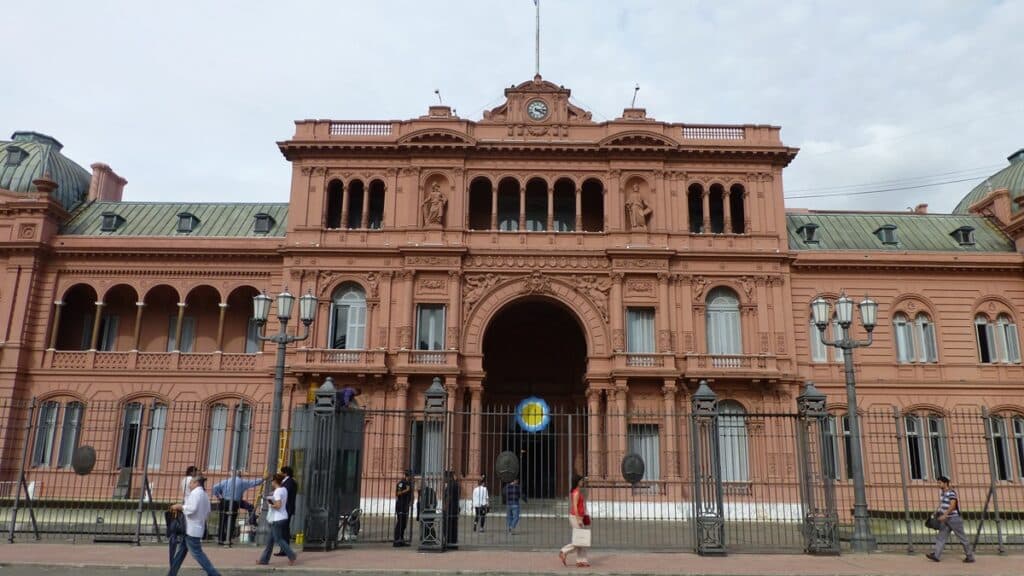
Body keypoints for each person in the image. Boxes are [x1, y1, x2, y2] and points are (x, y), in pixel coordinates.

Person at [167, 475, 221, 576]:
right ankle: (171, 574)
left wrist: (180, 507)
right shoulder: (204, 494)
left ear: (196, 483)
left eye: (191, 482)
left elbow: (192, 509)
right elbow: (208, 510)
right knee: (180, 553)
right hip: (196, 527)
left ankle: (214, 574)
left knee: (198, 554)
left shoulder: (195, 493)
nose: (189, 484)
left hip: (191, 529)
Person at [926, 475, 974, 563]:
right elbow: (942, 504)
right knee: (941, 537)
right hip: (945, 520)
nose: (938, 484)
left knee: (962, 538)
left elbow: (953, 505)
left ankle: (970, 556)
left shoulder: (951, 493)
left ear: (945, 483)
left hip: (954, 519)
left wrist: (945, 515)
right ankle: (936, 555)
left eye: (940, 483)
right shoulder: (943, 493)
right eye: (938, 483)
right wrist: (936, 512)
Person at [210, 475, 264, 544]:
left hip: (224, 502)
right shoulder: (241, 482)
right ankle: (228, 539)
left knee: (222, 521)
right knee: (232, 521)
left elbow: (215, 487)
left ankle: (221, 539)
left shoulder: (225, 481)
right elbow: (253, 482)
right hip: (235, 503)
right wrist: (263, 479)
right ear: (240, 476)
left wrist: (219, 496)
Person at [258, 474, 297, 566]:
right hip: (283, 516)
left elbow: (278, 506)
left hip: (277, 518)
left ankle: (292, 555)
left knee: (278, 539)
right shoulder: (284, 490)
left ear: (275, 481)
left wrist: (270, 504)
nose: (271, 482)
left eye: (272, 480)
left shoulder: (277, 492)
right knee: (270, 541)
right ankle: (264, 560)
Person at [559, 475, 590, 568]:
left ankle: (581, 560)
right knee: (579, 540)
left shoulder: (578, 491)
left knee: (582, 540)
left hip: (580, 517)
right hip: (576, 517)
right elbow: (575, 508)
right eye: (581, 481)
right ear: (577, 482)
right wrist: (578, 519)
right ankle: (564, 551)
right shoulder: (576, 492)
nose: (582, 482)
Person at [274, 466, 298, 557]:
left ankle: (285, 550)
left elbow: (284, 495)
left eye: (282, 472)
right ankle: (284, 549)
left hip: (287, 509)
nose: (281, 474)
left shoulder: (289, 482)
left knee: (284, 530)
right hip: (287, 508)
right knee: (284, 529)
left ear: (285, 473)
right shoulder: (290, 482)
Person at [392, 469, 413, 547]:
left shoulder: (409, 483)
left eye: (409, 476)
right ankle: (396, 540)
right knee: (400, 522)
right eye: (407, 476)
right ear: (404, 475)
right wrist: (406, 490)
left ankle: (401, 539)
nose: (408, 477)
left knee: (404, 524)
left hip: (405, 506)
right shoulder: (401, 483)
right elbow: (398, 493)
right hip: (400, 505)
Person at [443, 470, 460, 549]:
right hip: (455, 508)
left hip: (450, 508)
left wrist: (445, 507)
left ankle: (449, 543)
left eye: (445, 477)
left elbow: (449, 497)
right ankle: (454, 543)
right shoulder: (456, 484)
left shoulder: (450, 485)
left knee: (449, 526)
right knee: (454, 526)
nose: (444, 479)